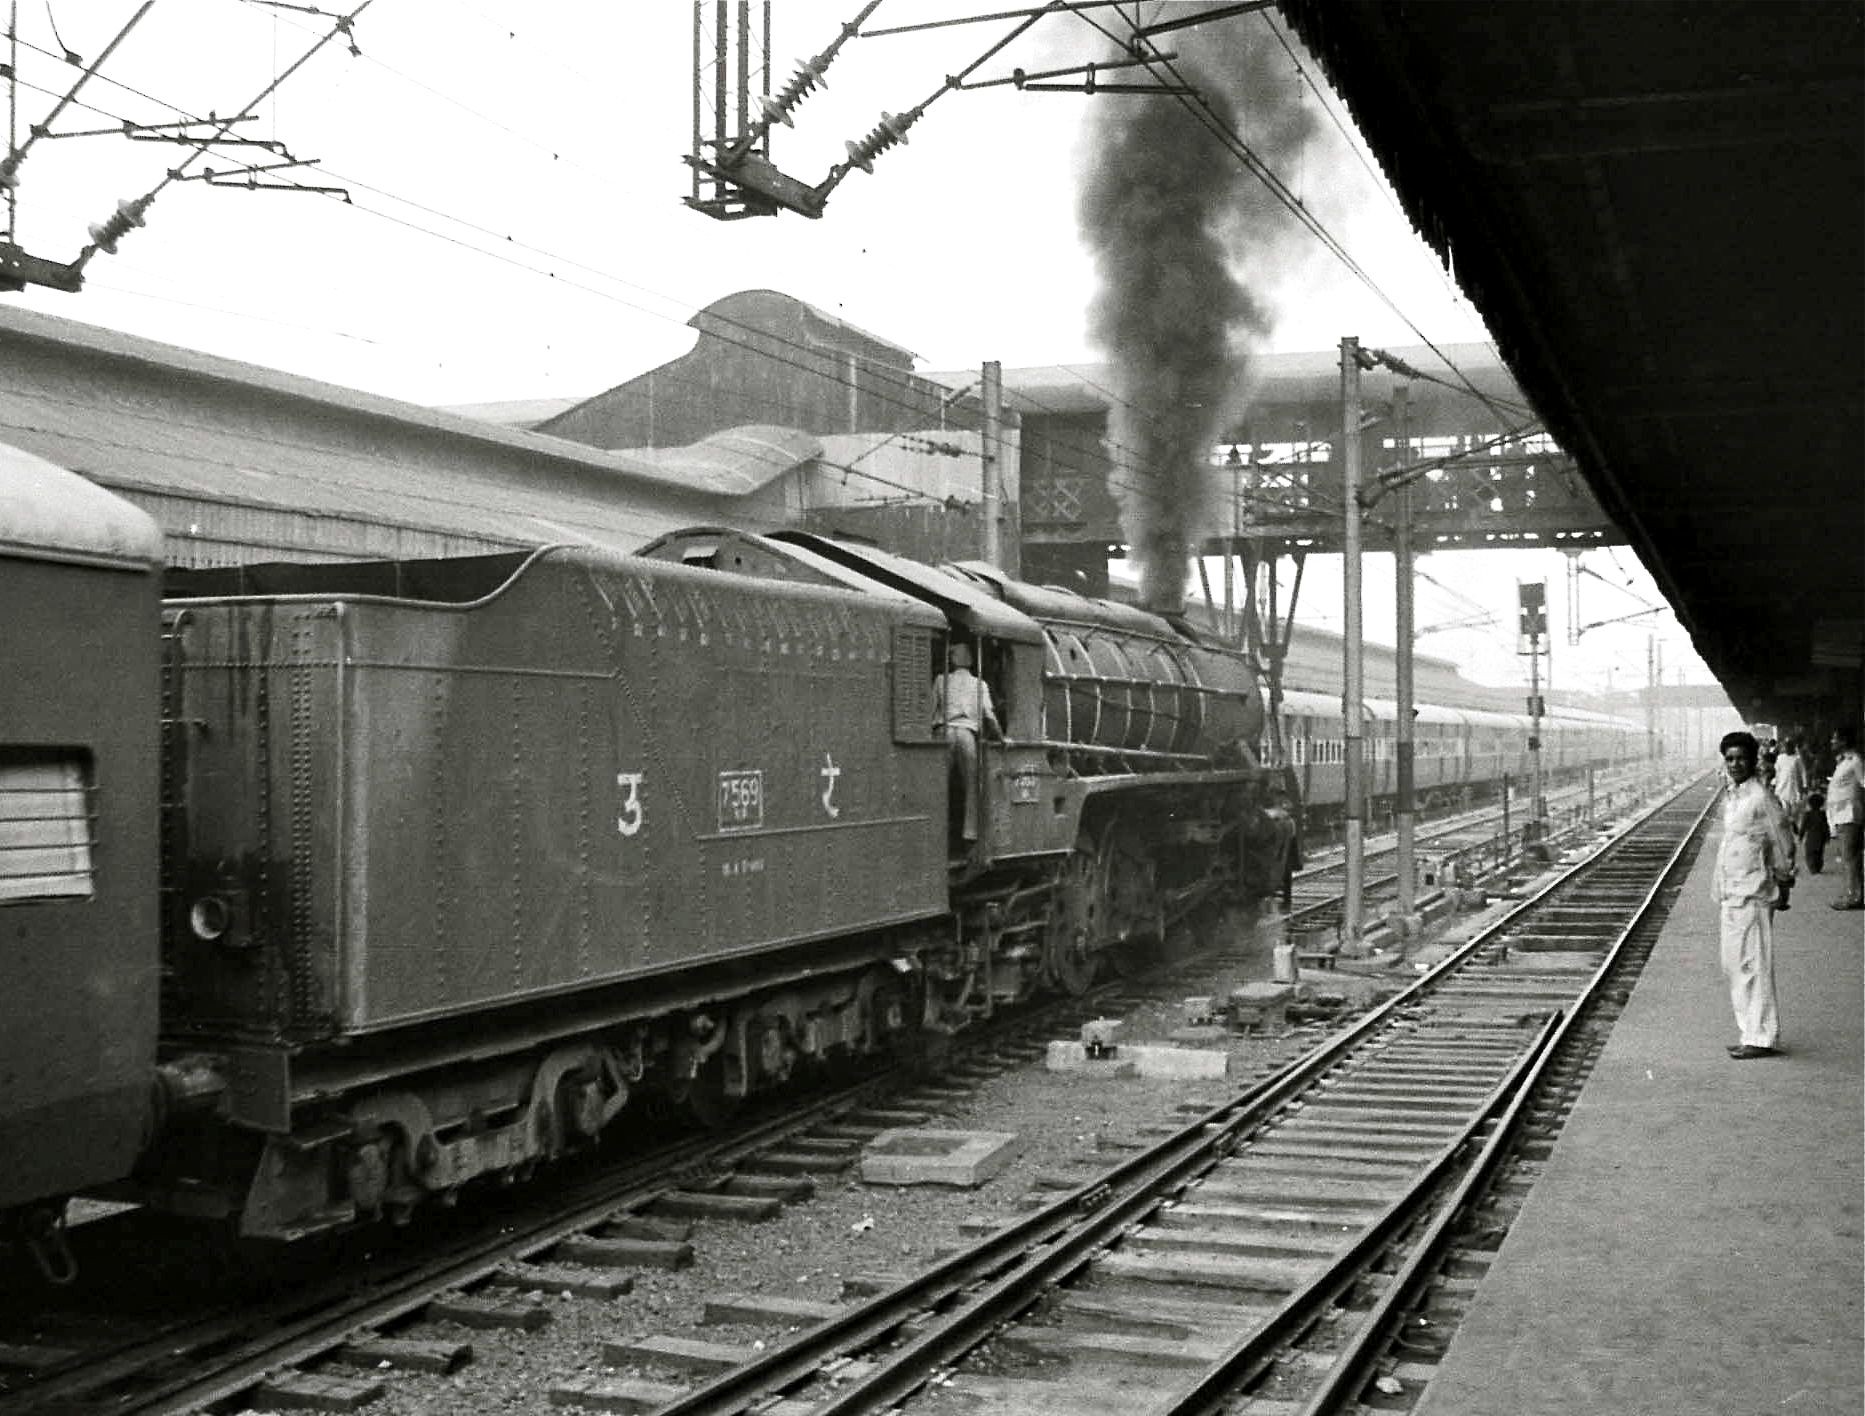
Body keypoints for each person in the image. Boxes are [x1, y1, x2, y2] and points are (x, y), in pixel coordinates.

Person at [1711, 731, 1795, 1059]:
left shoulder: (1761, 798)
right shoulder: (1734, 797)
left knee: (1753, 966)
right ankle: (1749, 1030)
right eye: (1729, 758)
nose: (1734, 764)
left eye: (1740, 758)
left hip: (1754, 893)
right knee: (1734, 967)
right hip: (1731, 893)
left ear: (1753, 759)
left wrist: (1785, 883)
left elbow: (1782, 841)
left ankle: (1761, 1036)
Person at [931, 642, 1000, 844]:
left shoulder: (940, 680)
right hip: (967, 734)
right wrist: (1001, 738)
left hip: (943, 733)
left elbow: (929, 711)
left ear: (952, 660)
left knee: (938, 784)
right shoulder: (980, 684)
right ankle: (969, 832)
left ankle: (936, 828)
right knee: (971, 784)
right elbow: (990, 716)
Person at [1826, 724, 1864, 910]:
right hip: (1840, 815)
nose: (1831, 741)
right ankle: (1852, 892)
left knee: (1851, 857)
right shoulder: (1842, 761)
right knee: (1848, 856)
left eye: (1834, 738)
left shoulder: (1855, 761)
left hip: (1850, 814)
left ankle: (1854, 897)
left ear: (1843, 741)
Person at [1773, 734, 1809, 873]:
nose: (1787, 748)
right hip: (1782, 787)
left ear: (1793, 747)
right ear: (1783, 747)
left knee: (1794, 810)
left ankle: (1792, 822)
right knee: (1784, 810)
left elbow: (1803, 772)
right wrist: (1774, 783)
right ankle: (1789, 826)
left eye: (1790, 746)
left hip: (1793, 787)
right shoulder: (1780, 758)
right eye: (1785, 746)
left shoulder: (1797, 759)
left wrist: (1805, 784)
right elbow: (1777, 772)